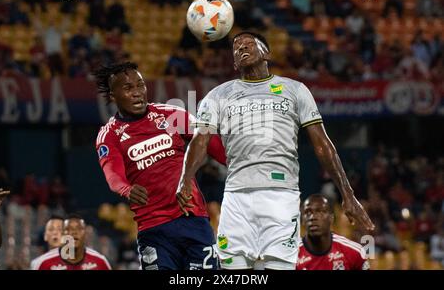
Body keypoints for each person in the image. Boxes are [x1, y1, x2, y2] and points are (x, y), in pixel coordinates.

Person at [177, 31, 375, 270]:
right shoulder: (217, 96)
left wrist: (348, 194)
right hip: (236, 196)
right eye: (237, 49)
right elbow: (200, 141)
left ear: (266, 53)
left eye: (249, 44)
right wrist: (186, 179)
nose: (242, 49)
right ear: (234, 62)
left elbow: (322, 144)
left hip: (281, 195)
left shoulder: (295, 90)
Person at [93, 62, 226, 270]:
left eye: (140, 85)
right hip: (153, 230)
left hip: (192, 219)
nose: (138, 93)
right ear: (112, 96)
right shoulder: (109, 135)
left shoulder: (170, 114)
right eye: (128, 88)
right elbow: (113, 176)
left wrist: (238, 164)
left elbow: (211, 142)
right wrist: (127, 190)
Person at [296, 194, 370, 270]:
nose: (313, 217)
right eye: (308, 212)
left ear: (331, 218)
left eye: (320, 212)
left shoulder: (355, 252)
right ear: (302, 220)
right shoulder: (291, 256)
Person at [31, 214, 112, 270]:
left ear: (85, 234)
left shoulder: (100, 261)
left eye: (79, 228)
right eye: (68, 229)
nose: (74, 232)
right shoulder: (44, 263)